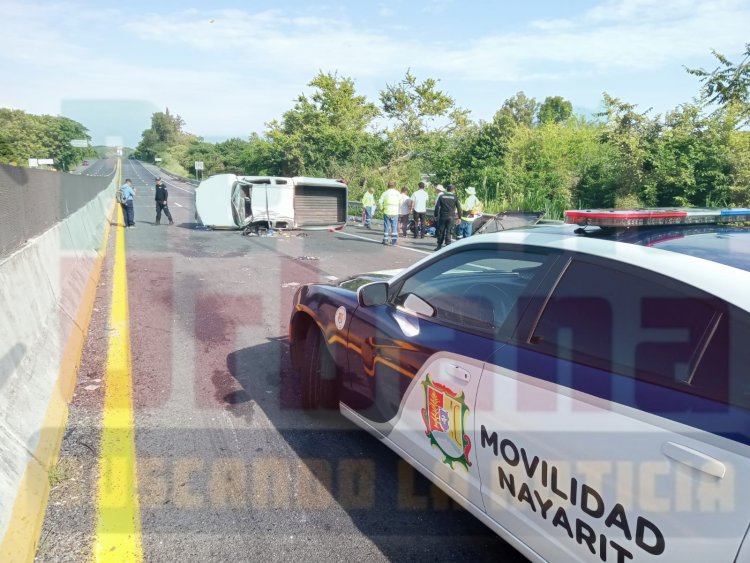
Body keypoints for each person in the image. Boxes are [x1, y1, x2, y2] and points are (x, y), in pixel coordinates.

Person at [434, 184, 461, 251]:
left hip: (443, 216)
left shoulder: (441, 196)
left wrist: (435, 215)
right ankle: (448, 246)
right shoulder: (455, 197)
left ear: (447, 189)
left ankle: (439, 246)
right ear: (453, 190)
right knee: (449, 231)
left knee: (441, 231)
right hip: (451, 217)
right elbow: (459, 208)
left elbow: (437, 207)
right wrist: (459, 217)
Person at [379, 180, 401, 245]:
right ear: (395, 186)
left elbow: (380, 201)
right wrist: (398, 208)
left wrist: (382, 208)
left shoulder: (385, 193)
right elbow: (401, 202)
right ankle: (394, 241)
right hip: (395, 212)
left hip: (387, 211)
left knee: (386, 226)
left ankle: (385, 240)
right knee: (394, 226)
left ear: (388, 185)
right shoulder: (397, 193)